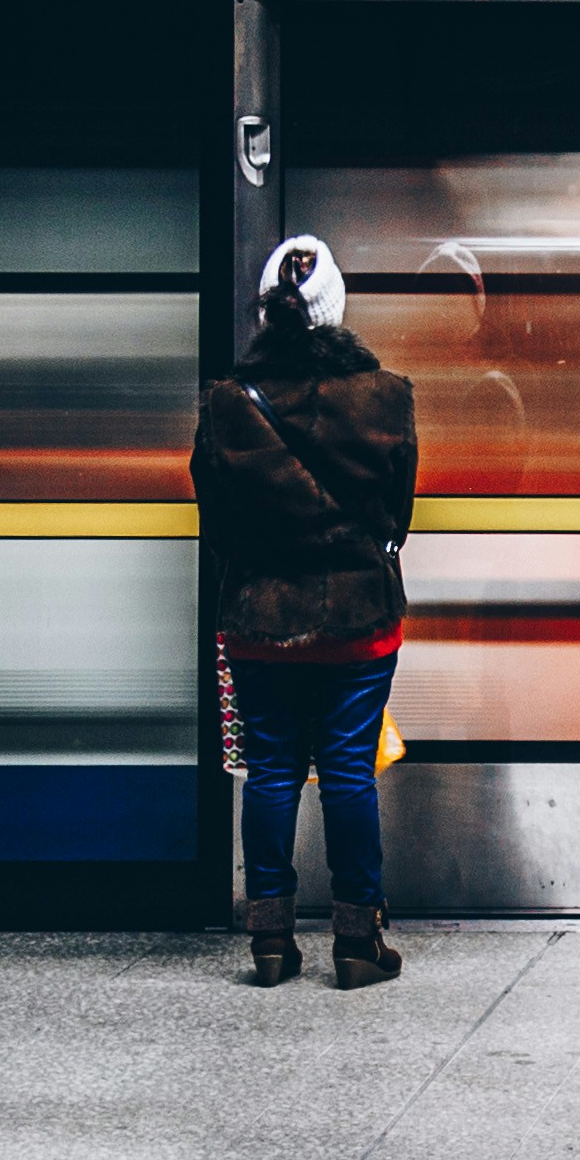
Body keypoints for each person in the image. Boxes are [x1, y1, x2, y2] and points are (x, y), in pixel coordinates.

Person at [194, 234, 418, 990]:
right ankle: (357, 941)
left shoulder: (227, 403)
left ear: (267, 311)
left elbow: (215, 525)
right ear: (336, 310)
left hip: (259, 626)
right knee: (350, 772)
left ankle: (269, 940)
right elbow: (397, 515)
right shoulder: (386, 396)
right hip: (360, 624)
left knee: (271, 771)